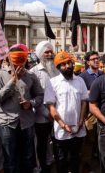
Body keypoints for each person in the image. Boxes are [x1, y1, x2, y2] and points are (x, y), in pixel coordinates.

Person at [0, 44, 44, 173]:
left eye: (21, 61)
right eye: (16, 62)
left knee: (28, 159)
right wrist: (12, 82)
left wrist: (30, 103)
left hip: (27, 124)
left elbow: (40, 95)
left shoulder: (31, 76)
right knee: (10, 161)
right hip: (8, 124)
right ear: (9, 60)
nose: (18, 66)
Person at [44, 51, 88, 173]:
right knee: (61, 160)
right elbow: (51, 106)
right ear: (58, 67)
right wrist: (63, 125)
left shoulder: (80, 81)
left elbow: (84, 102)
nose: (68, 66)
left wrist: (80, 121)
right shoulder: (52, 83)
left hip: (78, 129)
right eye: (63, 64)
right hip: (61, 131)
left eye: (69, 63)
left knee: (76, 159)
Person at [30, 41, 59, 173]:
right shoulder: (33, 72)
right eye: (46, 52)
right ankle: (43, 167)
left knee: (56, 143)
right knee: (41, 144)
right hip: (41, 116)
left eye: (50, 52)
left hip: (58, 115)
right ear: (40, 55)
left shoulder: (57, 70)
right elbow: (34, 96)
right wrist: (46, 113)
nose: (49, 54)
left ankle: (55, 164)